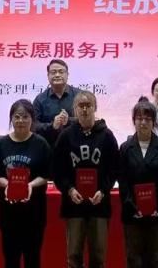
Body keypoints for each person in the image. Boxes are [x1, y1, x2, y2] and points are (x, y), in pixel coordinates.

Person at [52, 89, 120, 268]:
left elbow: (114, 169)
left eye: (88, 105)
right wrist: (69, 189)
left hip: (99, 205)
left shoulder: (107, 136)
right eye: (80, 106)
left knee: (98, 257)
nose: (84, 109)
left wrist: (103, 190)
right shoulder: (66, 136)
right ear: (74, 109)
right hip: (74, 205)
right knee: (74, 257)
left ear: (95, 108)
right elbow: (57, 170)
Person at [0, 99, 53, 268]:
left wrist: (30, 185)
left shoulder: (41, 144)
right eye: (17, 117)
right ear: (11, 119)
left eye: (25, 116)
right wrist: (8, 184)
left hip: (34, 212)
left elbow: (48, 174)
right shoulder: (2, 144)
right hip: (9, 213)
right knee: (11, 259)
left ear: (32, 119)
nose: (21, 120)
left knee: (33, 259)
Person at [118, 98, 158, 268]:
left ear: (154, 122)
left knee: (156, 259)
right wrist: (133, 207)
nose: (143, 122)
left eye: (148, 119)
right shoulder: (125, 148)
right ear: (133, 121)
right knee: (134, 260)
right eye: (139, 118)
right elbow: (123, 183)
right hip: (132, 215)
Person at [34, 59, 78, 145]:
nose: (57, 75)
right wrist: (52, 125)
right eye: (53, 72)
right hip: (48, 146)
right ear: (48, 75)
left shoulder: (79, 96)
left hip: (75, 146)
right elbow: (33, 124)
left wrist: (68, 121)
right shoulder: (39, 99)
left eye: (61, 72)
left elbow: (88, 119)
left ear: (67, 75)